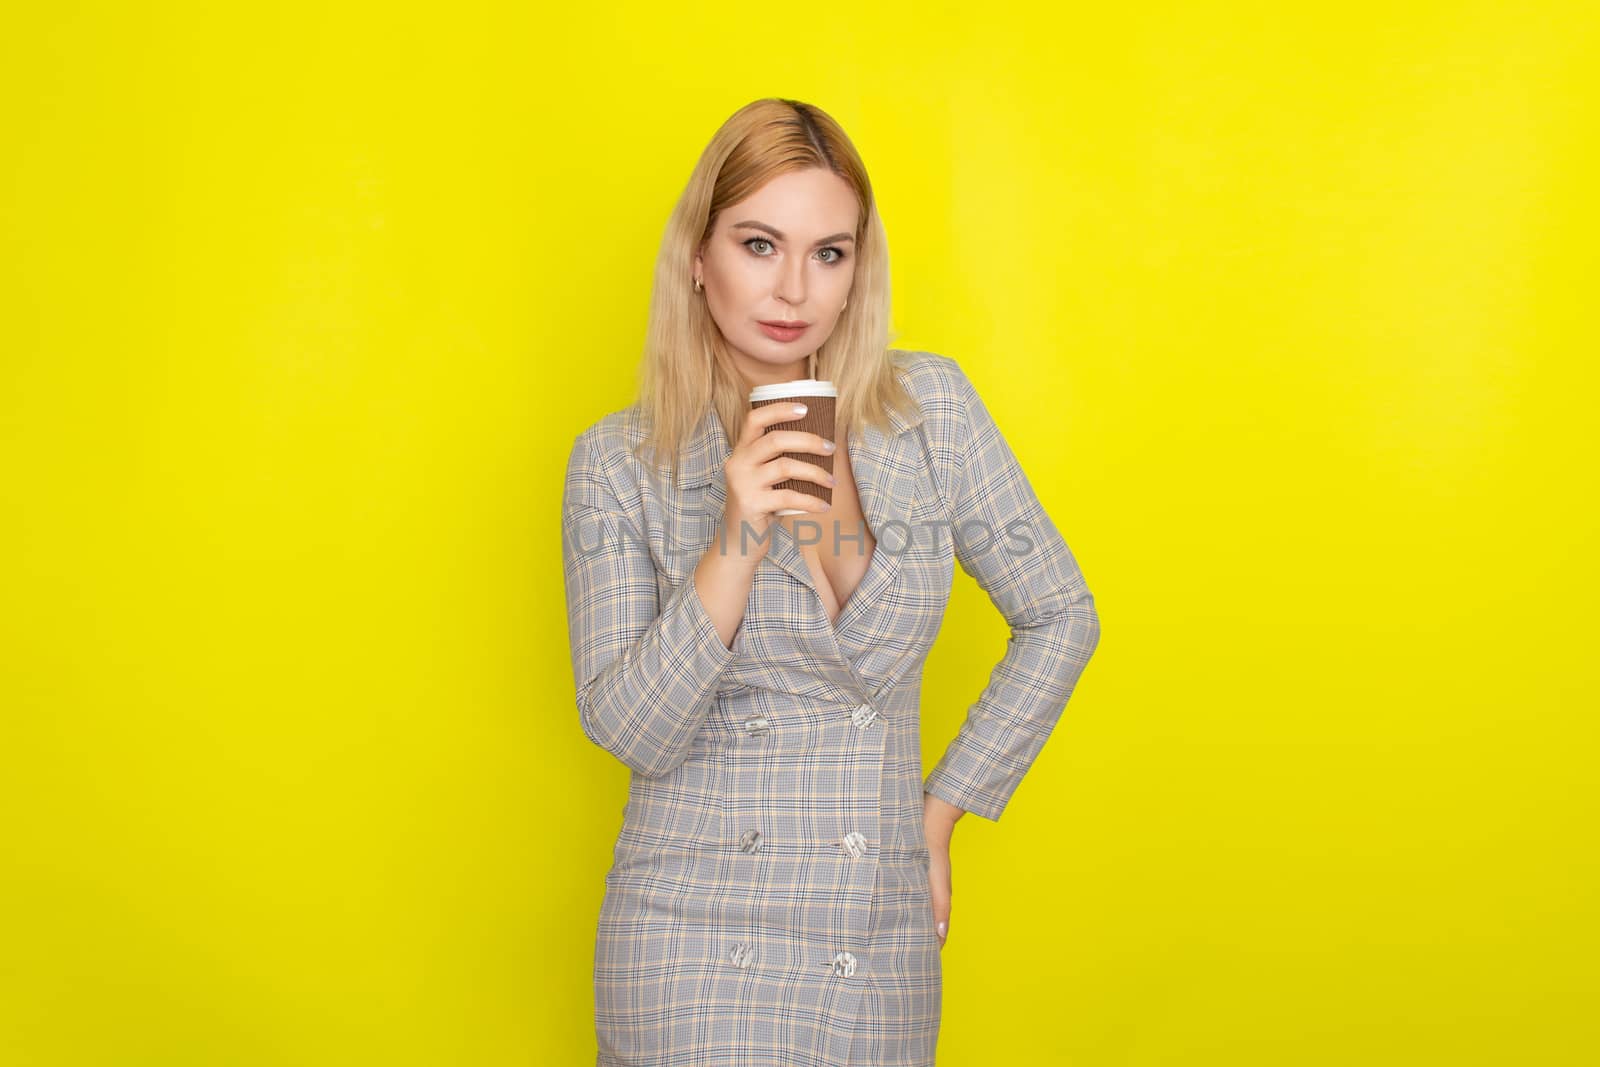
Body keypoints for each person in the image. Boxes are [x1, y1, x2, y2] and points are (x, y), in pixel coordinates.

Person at [560, 97, 1101, 1067]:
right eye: (759, 243)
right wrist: (733, 535)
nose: (793, 289)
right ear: (698, 254)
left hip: (876, 938)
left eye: (829, 252)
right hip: (692, 945)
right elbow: (629, 729)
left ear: (859, 271)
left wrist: (938, 815)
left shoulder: (928, 409)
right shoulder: (619, 461)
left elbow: (1060, 611)